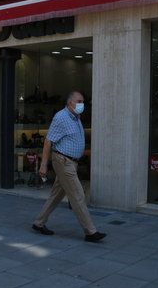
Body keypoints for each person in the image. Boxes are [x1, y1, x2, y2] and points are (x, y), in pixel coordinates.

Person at [32, 91, 107, 243]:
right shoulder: (61, 117)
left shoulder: (75, 117)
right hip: (63, 161)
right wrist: (43, 165)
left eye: (83, 101)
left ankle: (38, 223)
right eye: (79, 101)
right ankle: (90, 232)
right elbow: (48, 141)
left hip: (71, 162)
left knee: (56, 195)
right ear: (70, 102)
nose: (82, 104)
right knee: (78, 195)